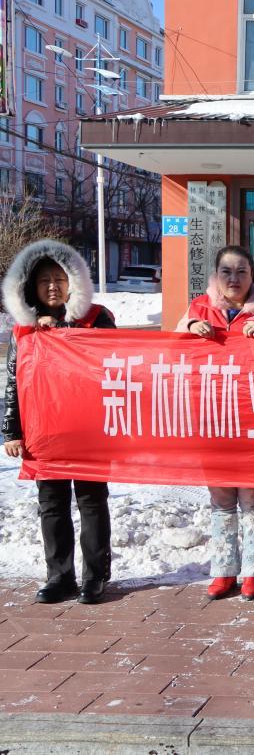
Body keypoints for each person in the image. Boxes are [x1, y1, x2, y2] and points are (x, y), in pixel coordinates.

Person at [2, 240, 116, 605]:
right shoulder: (24, 329)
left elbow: (112, 360)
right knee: (51, 502)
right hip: (44, 429)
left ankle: (95, 576)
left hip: (88, 427)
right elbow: (14, 380)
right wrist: (11, 430)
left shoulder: (97, 317)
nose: (52, 286)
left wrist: (64, 331)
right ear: (30, 287)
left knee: (91, 500)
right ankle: (59, 576)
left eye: (59, 278)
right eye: (44, 281)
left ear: (73, 282)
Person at [176, 245, 254, 601]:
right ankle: (224, 569)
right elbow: (173, 346)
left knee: (252, 497)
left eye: (242, 271)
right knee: (221, 497)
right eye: (226, 271)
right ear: (216, 274)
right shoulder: (199, 307)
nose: (234, 278)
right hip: (212, 416)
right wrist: (191, 327)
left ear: (252, 274)